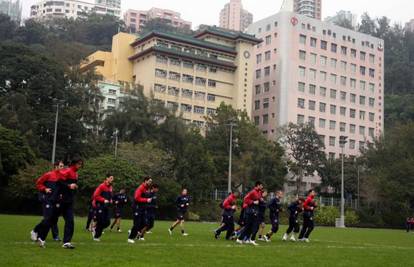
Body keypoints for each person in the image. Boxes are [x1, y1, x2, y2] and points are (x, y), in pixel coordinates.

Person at [31, 161, 64, 246]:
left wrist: (61, 195)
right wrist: (44, 189)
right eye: (60, 166)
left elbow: (61, 188)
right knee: (48, 218)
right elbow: (38, 183)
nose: (62, 168)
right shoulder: (48, 175)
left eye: (63, 166)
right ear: (55, 166)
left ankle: (37, 231)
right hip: (47, 199)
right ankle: (37, 233)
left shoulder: (62, 177)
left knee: (53, 219)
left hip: (56, 201)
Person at [57, 157, 83, 249]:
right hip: (61, 200)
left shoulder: (76, 174)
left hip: (69, 201)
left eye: (81, 164)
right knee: (50, 220)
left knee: (70, 221)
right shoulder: (67, 171)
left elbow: (72, 186)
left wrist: (75, 186)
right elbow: (59, 181)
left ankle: (66, 242)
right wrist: (69, 185)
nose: (80, 166)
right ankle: (36, 232)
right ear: (74, 164)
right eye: (79, 164)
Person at [236, 181, 264, 246]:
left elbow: (258, 199)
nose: (262, 187)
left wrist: (261, 200)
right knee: (253, 226)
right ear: (258, 185)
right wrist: (253, 202)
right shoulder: (253, 192)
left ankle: (241, 239)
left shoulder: (258, 192)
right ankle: (251, 240)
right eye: (261, 185)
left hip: (255, 211)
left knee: (250, 227)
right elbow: (245, 199)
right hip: (251, 211)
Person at [128, 176, 153, 244]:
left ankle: (132, 231)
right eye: (150, 181)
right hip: (137, 208)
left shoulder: (147, 188)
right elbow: (136, 198)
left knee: (145, 223)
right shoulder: (141, 188)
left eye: (151, 181)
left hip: (143, 208)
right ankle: (130, 238)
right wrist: (146, 200)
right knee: (137, 224)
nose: (151, 183)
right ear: (145, 181)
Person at [91, 174, 114, 241]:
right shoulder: (101, 186)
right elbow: (95, 195)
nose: (112, 179)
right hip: (100, 206)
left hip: (106, 207)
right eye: (111, 178)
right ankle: (96, 237)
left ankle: (95, 228)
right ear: (107, 178)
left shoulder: (110, 187)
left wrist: (111, 200)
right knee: (101, 222)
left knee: (107, 222)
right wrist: (104, 200)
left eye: (112, 178)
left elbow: (109, 196)